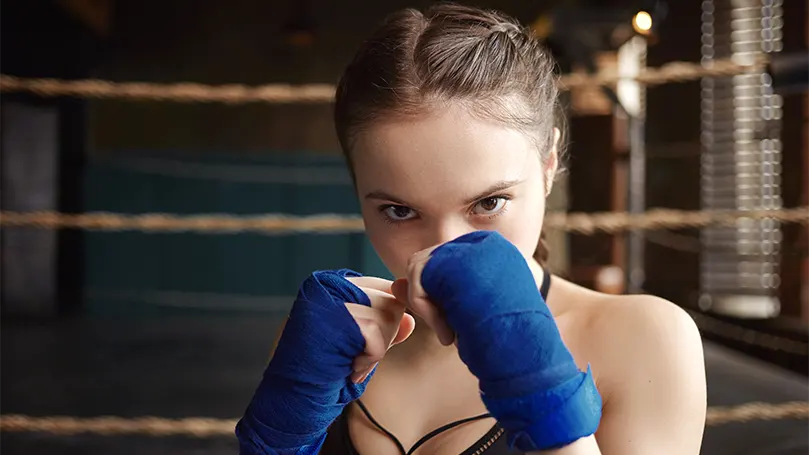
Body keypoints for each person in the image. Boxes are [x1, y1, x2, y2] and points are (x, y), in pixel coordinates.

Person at [236, 3, 707, 455]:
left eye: (489, 203)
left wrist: (549, 407)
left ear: (548, 167)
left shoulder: (645, 340)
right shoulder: (330, 342)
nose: (444, 250)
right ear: (359, 192)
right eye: (399, 211)